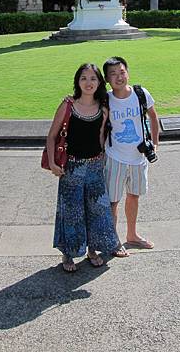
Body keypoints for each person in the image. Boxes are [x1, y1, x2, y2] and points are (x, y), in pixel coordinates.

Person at [46, 63, 122, 272]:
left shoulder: (102, 107)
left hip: (96, 166)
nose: (88, 83)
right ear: (77, 82)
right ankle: (68, 253)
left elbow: (101, 137)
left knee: (98, 210)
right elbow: (52, 136)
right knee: (71, 212)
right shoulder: (68, 105)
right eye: (84, 78)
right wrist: (53, 163)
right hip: (72, 167)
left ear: (99, 83)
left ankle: (93, 249)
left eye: (93, 79)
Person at [102, 56, 160, 253]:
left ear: (127, 72)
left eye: (122, 72)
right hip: (115, 157)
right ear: (107, 79)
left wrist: (155, 143)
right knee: (113, 200)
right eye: (113, 74)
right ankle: (113, 240)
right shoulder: (106, 99)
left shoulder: (140, 93)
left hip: (138, 157)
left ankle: (132, 235)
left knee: (134, 196)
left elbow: (153, 116)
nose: (119, 77)